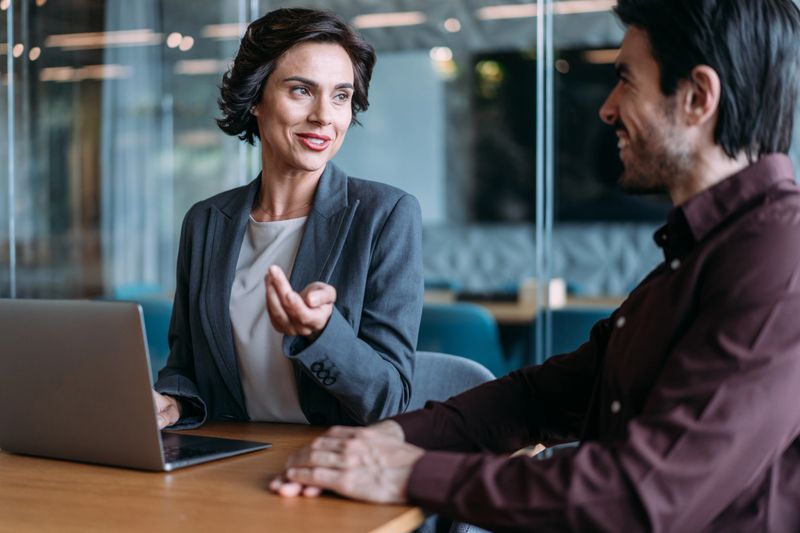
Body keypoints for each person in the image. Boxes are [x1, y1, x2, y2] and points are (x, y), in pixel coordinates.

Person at [271, 0, 800, 530]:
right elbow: (541, 397)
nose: (607, 108)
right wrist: (390, 438)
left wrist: (408, 472)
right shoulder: (708, 251)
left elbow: (640, 496)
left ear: (697, 98)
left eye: (626, 80)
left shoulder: (779, 261)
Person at [152, 8, 423, 430]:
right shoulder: (206, 222)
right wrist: (173, 401)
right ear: (256, 98)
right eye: (301, 90)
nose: (324, 116)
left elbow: (390, 401)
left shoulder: (385, 216)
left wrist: (321, 334)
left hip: (327, 464)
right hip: (228, 460)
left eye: (340, 96)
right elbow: (187, 366)